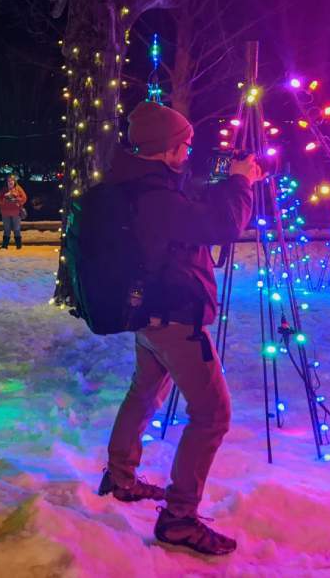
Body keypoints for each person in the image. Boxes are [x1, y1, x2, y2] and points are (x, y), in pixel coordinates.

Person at [98, 101, 259, 556]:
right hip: (174, 316)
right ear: (167, 148)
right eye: (185, 145)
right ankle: (180, 518)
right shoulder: (154, 195)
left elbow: (188, 210)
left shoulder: (137, 182)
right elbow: (222, 224)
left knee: (145, 390)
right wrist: (242, 182)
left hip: (148, 314)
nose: (189, 152)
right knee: (212, 414)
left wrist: (229, 181)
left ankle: (121, 476)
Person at [0, 174, 27, 250]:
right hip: (5, 213)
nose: (10, 182)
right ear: (6, 182)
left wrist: (16, 199)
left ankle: (19, 246)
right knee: (6, 229)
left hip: (16, 213)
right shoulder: (4, 190)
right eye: (9, 181)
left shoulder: (18, 189)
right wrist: (4, 198)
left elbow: (24, 198)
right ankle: (4, 246)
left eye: (12, 181)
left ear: (14, 182)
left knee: (16, 229)